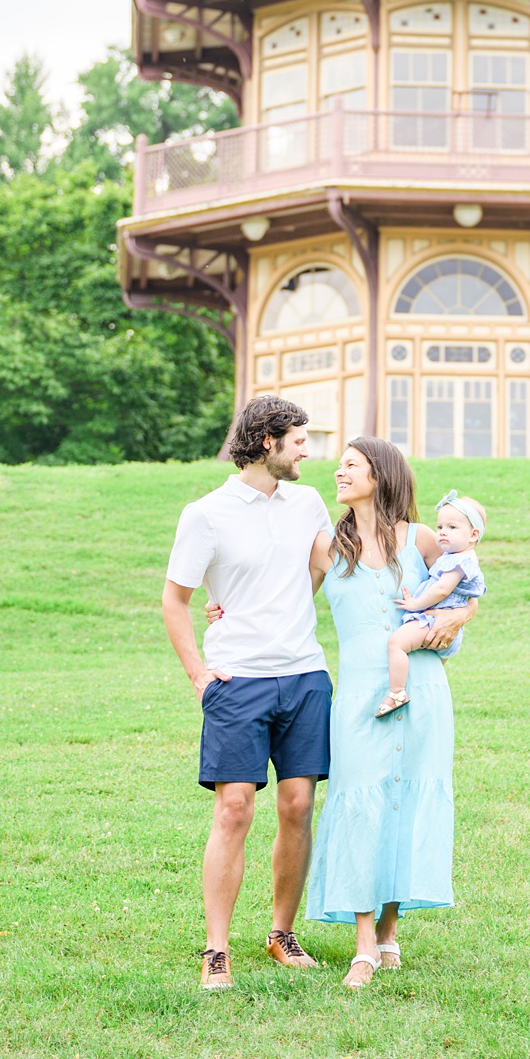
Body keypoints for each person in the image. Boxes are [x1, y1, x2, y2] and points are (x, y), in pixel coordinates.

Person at [161, 395, 332, 991]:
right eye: (300, 440)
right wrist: (200, 675)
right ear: (268, 442)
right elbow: (175, 601)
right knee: (234, 808)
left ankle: (281, 933)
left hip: (305, 675)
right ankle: (216, 950)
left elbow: (322, 569)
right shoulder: (205, 513)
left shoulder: (308, 501)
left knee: (298, 807)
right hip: (237, 681)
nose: (308, 450)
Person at [302, 436, 475, 988]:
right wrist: (223, 609)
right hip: (357, 695)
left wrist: (456, 623)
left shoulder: (422, 539)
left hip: (422, 688)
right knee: (358, 805)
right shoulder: (326, 546)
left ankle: (389, 932)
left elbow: (464, 595)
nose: (339, 471)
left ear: (380, 473)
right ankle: (361, 946)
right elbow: (284, 604)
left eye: (351, 465)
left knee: (404, 801)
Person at [378, 491, 488, 719]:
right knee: (429, 674)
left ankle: (397, 692)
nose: (442, 532)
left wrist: (414, 604)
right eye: (440, 527)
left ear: (473, 534)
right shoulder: (453, 556)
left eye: (452, 527)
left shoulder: (461, 560)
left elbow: (441, 589)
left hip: (433, 620)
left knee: (396, 643)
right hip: (439, 621)